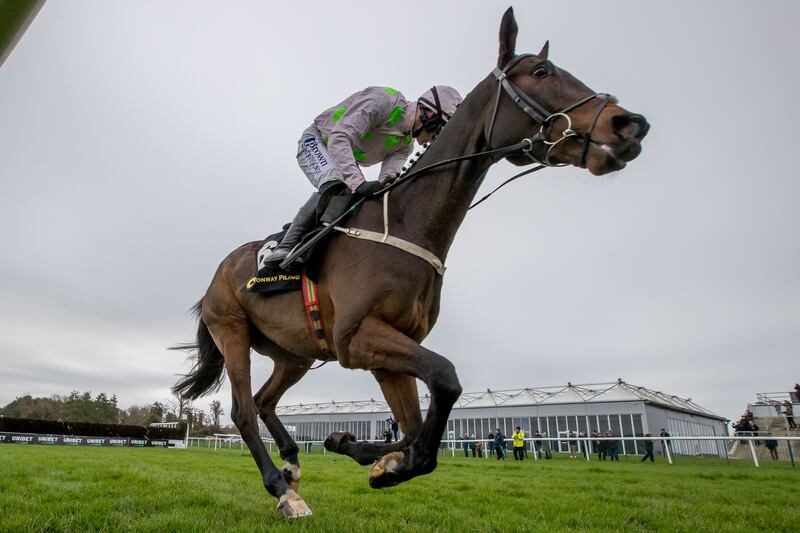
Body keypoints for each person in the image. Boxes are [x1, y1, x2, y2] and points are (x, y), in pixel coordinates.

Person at [263, 85, 463, 268]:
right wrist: (359, 184)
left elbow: (388, 181)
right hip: (318, 140)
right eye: (437, 130)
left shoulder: (404, 145)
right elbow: (339, 138)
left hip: (340, 156)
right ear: (430, 113)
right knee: (337, 185)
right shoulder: (384, 101)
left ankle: (313, 237)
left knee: (356, 201)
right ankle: (285, 246)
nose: (430, 140)